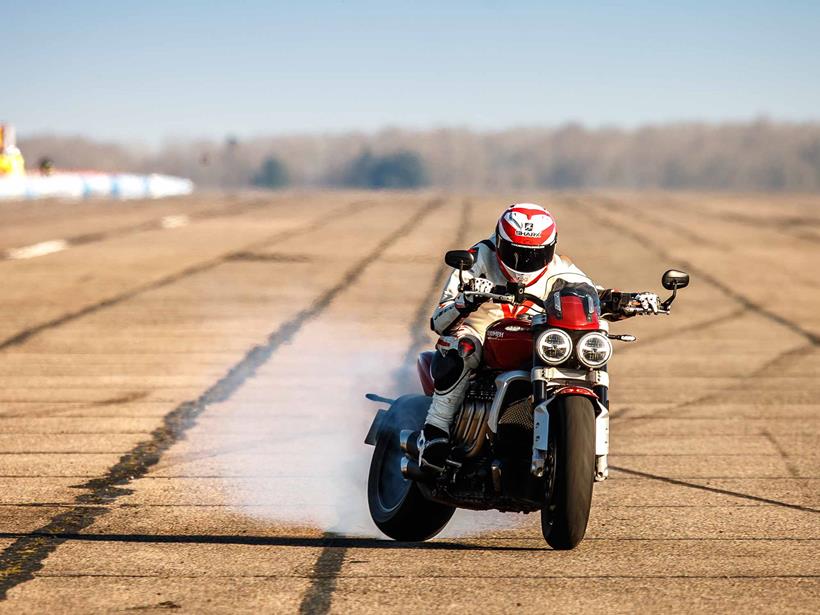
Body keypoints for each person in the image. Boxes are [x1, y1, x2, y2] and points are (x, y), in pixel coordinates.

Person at [418, 202, 660, 472]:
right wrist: (467, 300)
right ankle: (434, 432)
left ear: (550, 248)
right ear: (500, 241)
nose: (525, 262)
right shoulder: (477, 259)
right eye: (516, 253)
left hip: (536, 331)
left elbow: (594, 294)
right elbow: (439, 321)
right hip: (482, 328)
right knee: (463, 346)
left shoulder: (560, 268)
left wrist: (634, 301)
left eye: (534, 255)